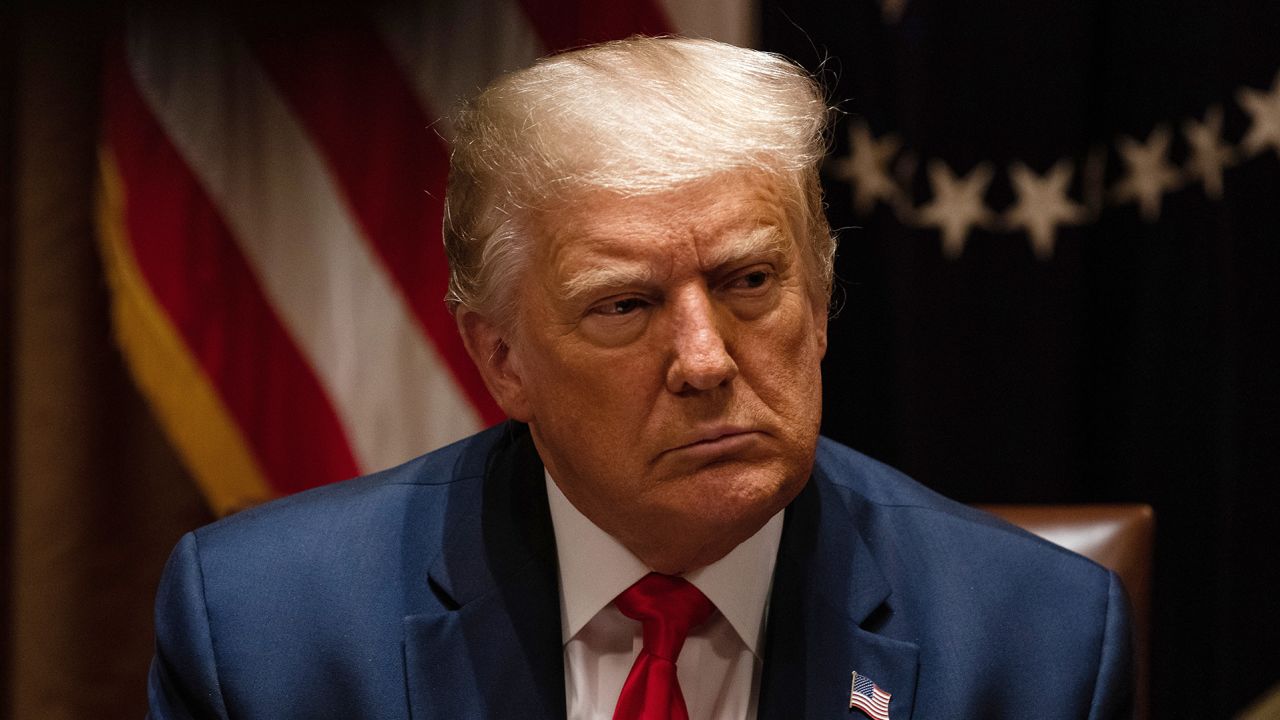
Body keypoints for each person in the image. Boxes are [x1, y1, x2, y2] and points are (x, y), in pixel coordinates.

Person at [147, 37, 1133, 720]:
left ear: (821, 301)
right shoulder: (267, 634)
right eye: (624, 306)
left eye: (749, 282)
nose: (705, 361)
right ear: (501, 358)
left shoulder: (1032, 647)